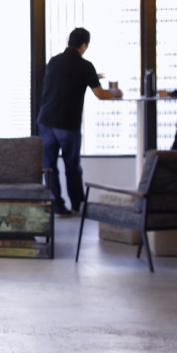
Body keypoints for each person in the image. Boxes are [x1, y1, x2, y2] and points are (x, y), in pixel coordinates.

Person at [37, 26, 123, 216]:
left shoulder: (54, 61)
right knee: (72, 166)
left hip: (45, 121)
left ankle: (56, 206)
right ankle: (78, 205)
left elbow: (63, 80)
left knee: (49, 168)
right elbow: (101, 94)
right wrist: (116, 93)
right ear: (84, 45)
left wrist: (92, 76)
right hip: (67, 124)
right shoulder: (85, 66)